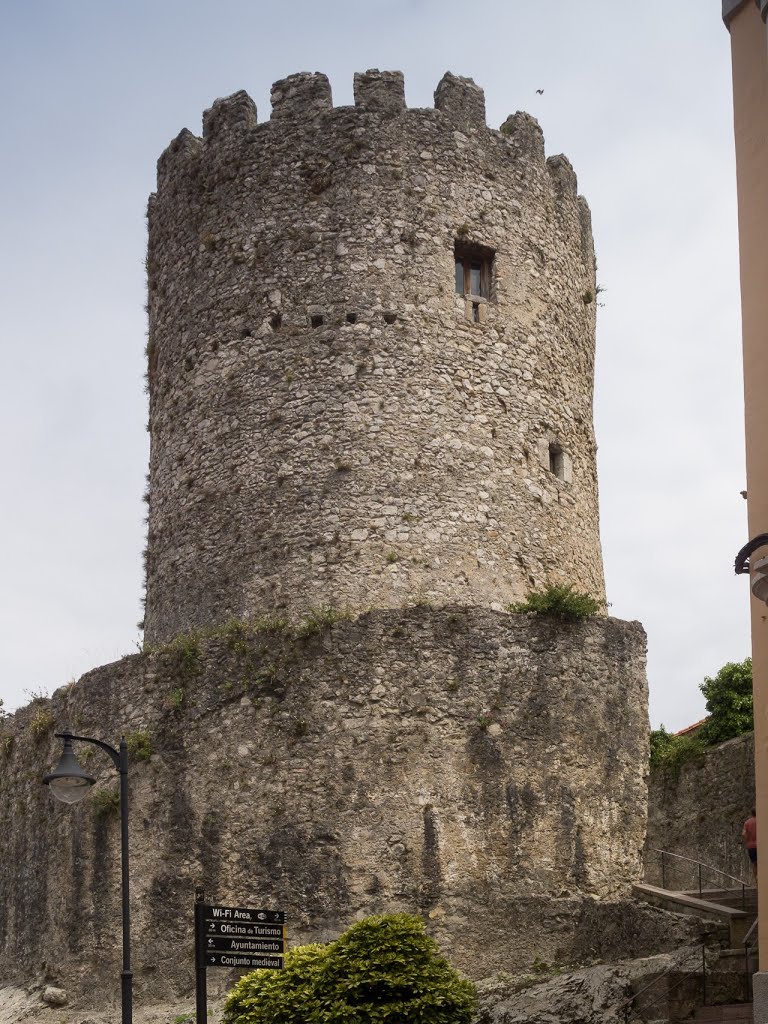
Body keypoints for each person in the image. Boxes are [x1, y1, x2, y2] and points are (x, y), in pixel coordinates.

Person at [743, 809, 757, 882]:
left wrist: (747, 840)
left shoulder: (747, 822)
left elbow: (744, 834)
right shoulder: (762, 821)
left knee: (755, 863)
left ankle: (756, 879)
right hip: (760, 845)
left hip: (751, 846)